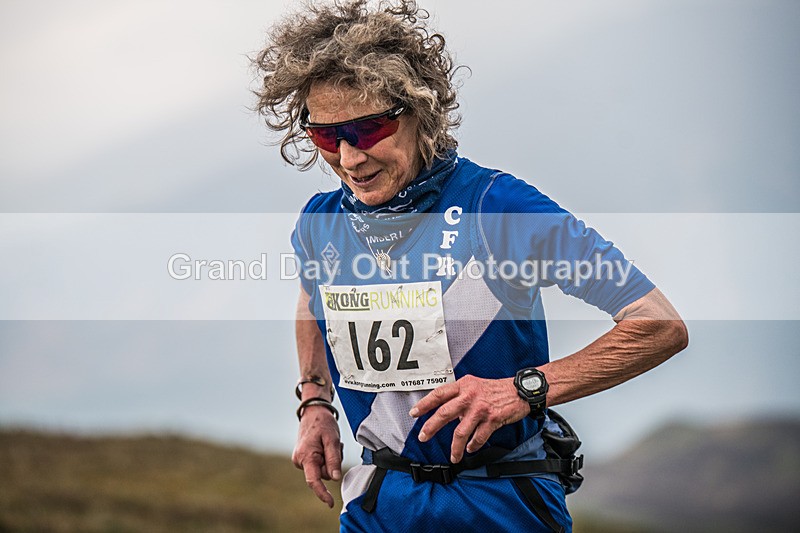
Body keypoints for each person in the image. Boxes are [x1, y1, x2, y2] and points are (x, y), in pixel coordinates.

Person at [253, 1, 688, 531]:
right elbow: (311, 294)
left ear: (418, 111)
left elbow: (658, 324)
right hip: (379, 503)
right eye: (326, 136)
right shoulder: (320, 222)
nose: (349, 158)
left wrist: (523, 390)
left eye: (368, 130)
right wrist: (315, 400)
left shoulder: (499, 208)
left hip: (501, 500)